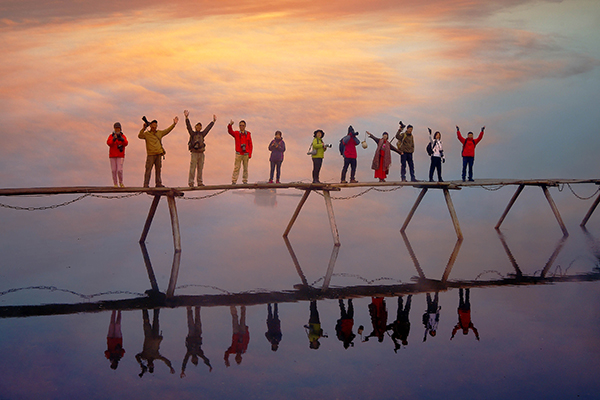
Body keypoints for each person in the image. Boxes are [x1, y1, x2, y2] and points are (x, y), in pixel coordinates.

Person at [138, 116, 178, 188]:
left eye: (156, 125)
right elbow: (140, 136)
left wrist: (174, 124)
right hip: (151, 154)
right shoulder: (147, 134)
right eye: (153, 124)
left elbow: (167, 130)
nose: (154, 126)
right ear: (150, 125)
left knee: (158, 170)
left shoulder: (159, 133)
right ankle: (146, 184)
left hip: (158, 154)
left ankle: (158, 183)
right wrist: (143, 128)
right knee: (148, 169)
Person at [135, 309, 175, 377]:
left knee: (146, 321)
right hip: (156, 336)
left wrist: (141, 364)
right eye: (152, 367)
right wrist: (170, 367)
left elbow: (136, 356)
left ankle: (144, 307)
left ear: (148, 365)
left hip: (148, 335)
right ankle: (157, 307)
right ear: (153, 365)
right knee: (156, 319)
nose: (151, 365)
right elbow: (166, 360)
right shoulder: (156, 356)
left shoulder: (144, 356)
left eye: (150, 366)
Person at [184, 110, 216, 187]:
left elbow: (208, 129)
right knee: (192, 168)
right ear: (195, 127)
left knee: (200, 169)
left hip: (201, 153)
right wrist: (186, 118)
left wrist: (213, 122)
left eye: (200, 126)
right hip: (194, 153)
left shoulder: (202, 134)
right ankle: (191, 182)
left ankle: (200, 182)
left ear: (201, 127)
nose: (198, 127)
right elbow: (188, 127)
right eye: (197, 126)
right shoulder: (192, 134)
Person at [181, 306, 212, 378]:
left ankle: (189, 309)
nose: (195, 359)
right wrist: (209, 365)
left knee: (190, 322)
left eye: (193, 360)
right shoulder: (199, 353)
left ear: (192, 359)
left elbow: (185, 361)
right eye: (196, 360)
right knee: (198, 321)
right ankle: (197, 308)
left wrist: (183, 370)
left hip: (191, 336)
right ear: (197, 359)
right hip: (198, 335)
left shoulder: (189, 353)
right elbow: (205, 359)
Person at [228, 120, 253, 184]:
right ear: (239, 126)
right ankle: (234, 181)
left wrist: (250, 154)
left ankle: (245, 180)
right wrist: (230, 125)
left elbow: (250, 144)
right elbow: (230, 132)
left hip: (246, 154)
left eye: (243, 125)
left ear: (245, 126)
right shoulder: (237, 133)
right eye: (240, 125)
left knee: (245, 168)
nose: (241, 126)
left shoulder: (248, 134)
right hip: (238, 153)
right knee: (236, 168)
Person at [107, 122, 128, 187]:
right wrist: (113, 139)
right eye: (116, 128)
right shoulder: (111, 136)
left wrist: (122, 139)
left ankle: (121, 182)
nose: (117, 129)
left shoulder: (123, 136)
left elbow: (126, 143)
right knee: (113, 170)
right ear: (114, 129)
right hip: (112, 155)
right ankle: (115, 184)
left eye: (118, 128)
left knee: (119, 170)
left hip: (120, 155)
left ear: (120, 129)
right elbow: (108, 143)